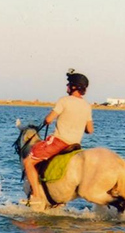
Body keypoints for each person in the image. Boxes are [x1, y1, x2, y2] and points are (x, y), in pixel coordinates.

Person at [24, 69, 94, 210]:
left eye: (69, 84)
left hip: (59, 142)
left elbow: (49, 119)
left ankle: (36, 195)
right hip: (75, 145)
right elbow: (90, 130)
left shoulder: (64, 100)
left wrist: (47, 120)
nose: (67, 87)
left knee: (28, 161)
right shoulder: (87, 105)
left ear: (73, 87)